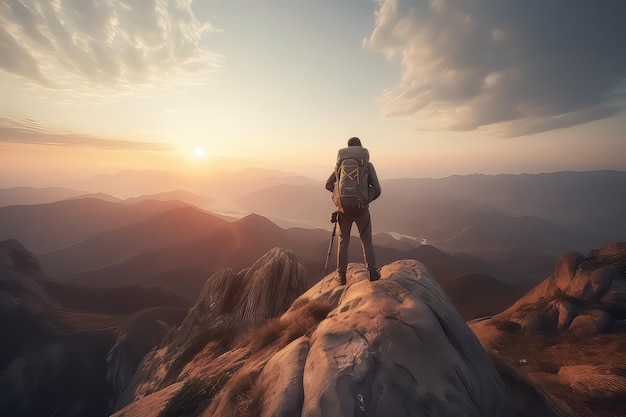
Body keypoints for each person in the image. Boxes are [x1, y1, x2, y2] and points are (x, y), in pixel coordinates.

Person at [325, 137, 382, 284]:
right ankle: (373, 273)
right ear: (361, 147)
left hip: (343, 210)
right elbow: (377, 189)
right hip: (361, 210)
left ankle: (341, 277)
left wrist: (340, 199)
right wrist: (364, 199)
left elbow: (328, 184)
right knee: (366, 242)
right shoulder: (367, 166)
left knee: (343, 243)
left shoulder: (339, 166)